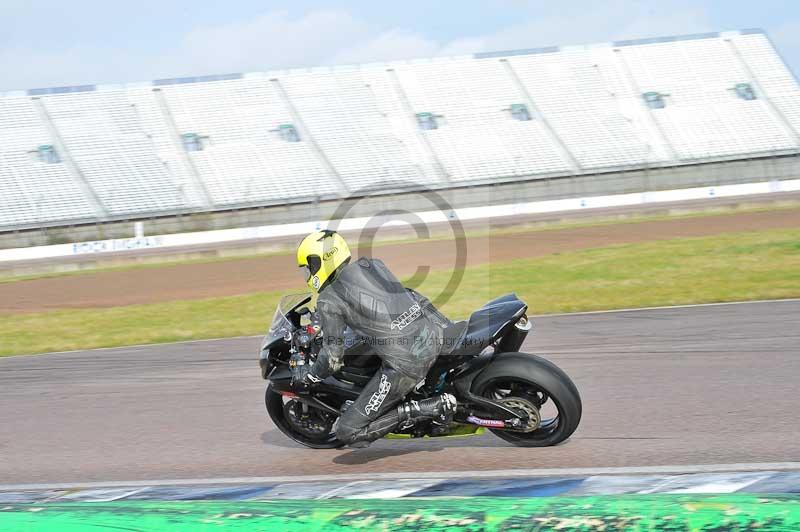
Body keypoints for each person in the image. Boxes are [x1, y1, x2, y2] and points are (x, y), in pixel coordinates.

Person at [291, 229, 457, 447]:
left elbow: (333, 358)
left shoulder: (328, 299)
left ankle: (426, 408)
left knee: (347, 432)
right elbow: (410, 296)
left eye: (308, 267)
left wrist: (310, 377)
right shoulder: (372, 265)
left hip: (406, 365)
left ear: (319, 262)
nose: (308, 274)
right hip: (434, 336)